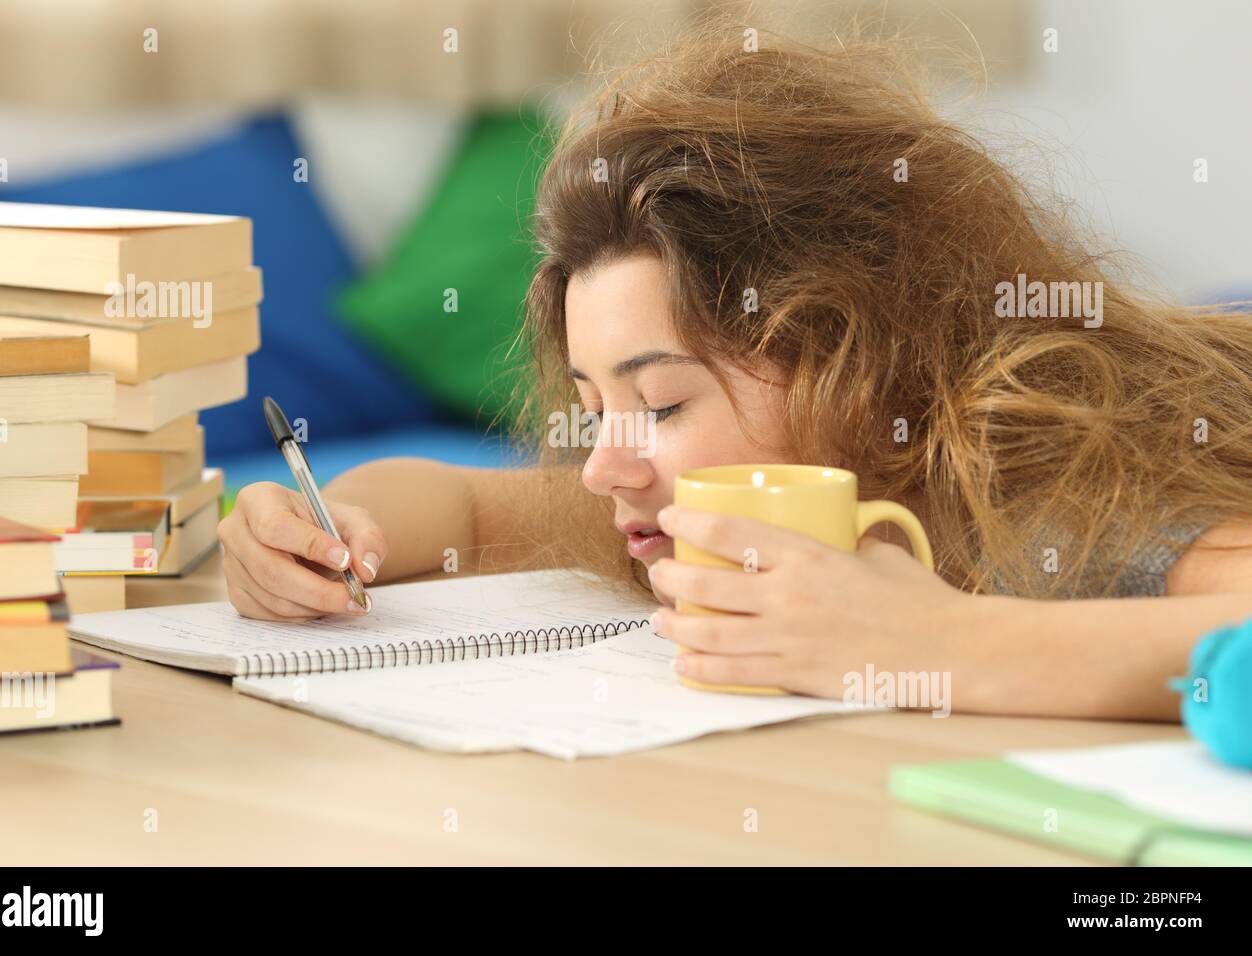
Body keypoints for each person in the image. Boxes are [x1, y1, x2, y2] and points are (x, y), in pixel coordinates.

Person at [218, 30, 1252, 720]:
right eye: (592, 409)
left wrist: (940, 640)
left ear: (857, 356)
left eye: (660, 402)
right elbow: (470, 513)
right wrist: (322, 530)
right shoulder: (678, 507)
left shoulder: (1059, 480)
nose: (601, 468)